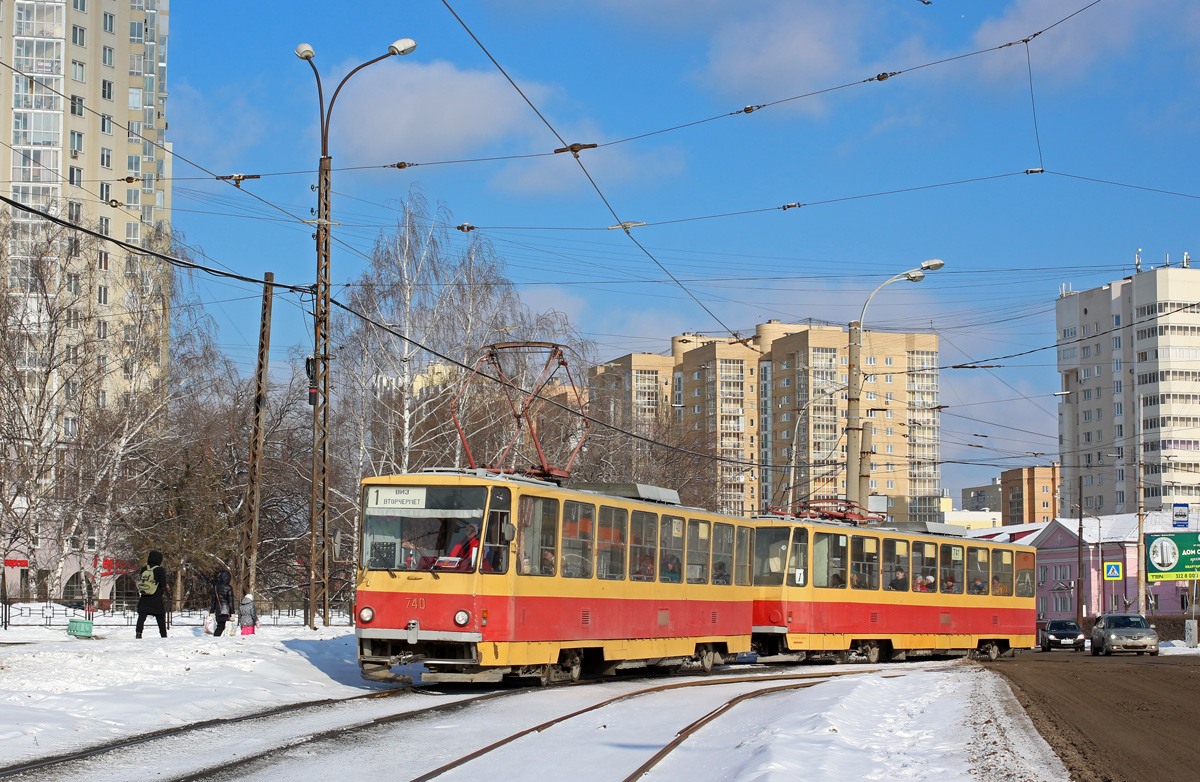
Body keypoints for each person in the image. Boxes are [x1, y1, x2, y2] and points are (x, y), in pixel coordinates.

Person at [135, 550, 168, 639]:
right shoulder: (159, 570)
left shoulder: (144, 569)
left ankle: (138, 633)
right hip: (156, 598)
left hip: (144, 597)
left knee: (141, 616)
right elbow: (162, 583)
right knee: (160, 616)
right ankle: (163, 635)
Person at [210, 569, 235, 637]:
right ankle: (217, 638)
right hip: (226, 609)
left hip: (218, 609)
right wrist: (232, 612)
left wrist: (212, 611)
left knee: (220, 625)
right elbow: (231, 601)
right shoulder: (229, 587)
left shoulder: (215, 587)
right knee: (222, 626)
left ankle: (217, 637)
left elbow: (213, 600)